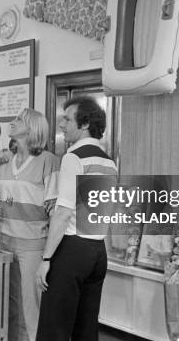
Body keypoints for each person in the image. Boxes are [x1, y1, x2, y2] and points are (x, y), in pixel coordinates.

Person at [36, 96, 117, 341]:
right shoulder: (108, 161)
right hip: (97, 252)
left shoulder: (74, 157)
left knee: (54, 327)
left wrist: (46, 258)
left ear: (84, 125)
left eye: (67, 119)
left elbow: (63, 213)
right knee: (86, 329)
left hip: (71, 249)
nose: (61, 125)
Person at [0, 108, 59, 341]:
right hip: (4, 240)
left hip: (32, 244)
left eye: (19, 120)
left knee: (31, 305)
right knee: (9, 304)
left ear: (32, 128)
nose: (12, 122)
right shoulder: (4, 160)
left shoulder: (48, 161)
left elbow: (55, 210)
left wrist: (49, 257)